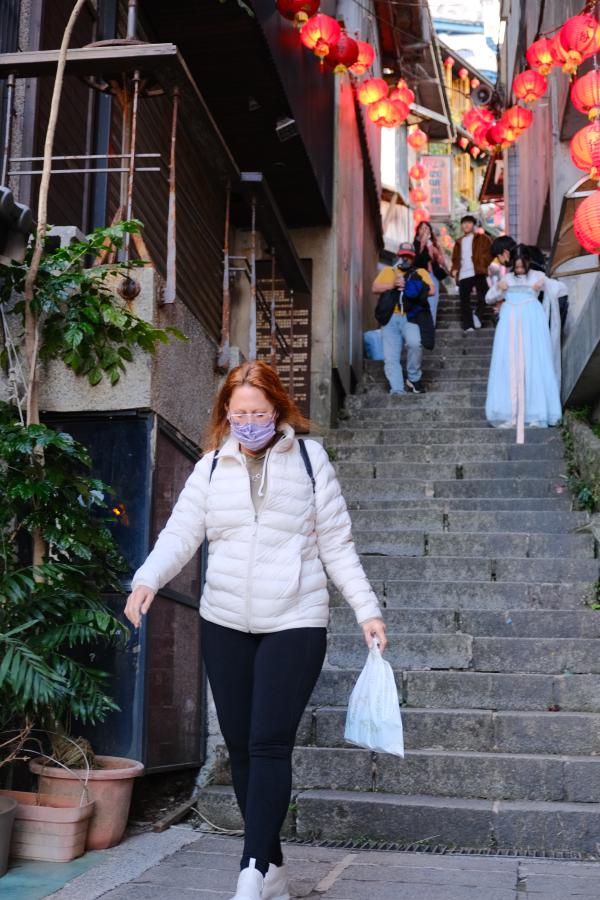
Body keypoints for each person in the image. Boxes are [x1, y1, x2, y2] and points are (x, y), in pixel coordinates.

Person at [124, 361, 386, 900]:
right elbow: (181, 533)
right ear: (226, 413)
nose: (248, 422)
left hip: (295, 619)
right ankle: (273, 866)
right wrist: (147, 578)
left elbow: (337, 544)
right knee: (241, 747)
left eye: (258, 413)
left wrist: (366, 610)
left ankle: (249, 871)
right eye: (238, 413)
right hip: (224, 621)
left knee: (268, 743)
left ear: (278, 411)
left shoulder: (311, 461)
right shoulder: (211, 467)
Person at [485, 248, 562, 444]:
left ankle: (536, 412)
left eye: (522, 266)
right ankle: (509, 412)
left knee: (533, 362)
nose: (519, 270)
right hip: (510, 319)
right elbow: (488, 298)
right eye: (516, 266)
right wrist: (498, 288)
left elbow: (562, 289)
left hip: (532, 320)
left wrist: (546, 284)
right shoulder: (507, 278)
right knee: (509, 363)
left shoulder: (538, 275)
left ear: (528, 263)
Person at [372, 242, 435, 395]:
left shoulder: (420, 272)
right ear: (398, 256)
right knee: (390, 356)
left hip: (410, 316)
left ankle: (413, 378)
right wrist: (393, 284)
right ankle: (397, 390)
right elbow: (375, 288)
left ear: (413, 258)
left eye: (409, 256)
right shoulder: (388, 271)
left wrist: (411, 285)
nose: (405, 259)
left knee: (415, 344)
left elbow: (432, 290)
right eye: (403, 256)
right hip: (389, 317)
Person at [451, 215, 492, 333]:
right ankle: (468, 325)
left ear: (473, 225)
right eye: (464, 223)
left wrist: (483, 262)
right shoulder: (459, 242)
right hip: (464, 273)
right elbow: (455, 258)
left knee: (484, 295)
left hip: (478, 271)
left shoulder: (483, 238)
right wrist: (454, 269)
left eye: (469, 223)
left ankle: (477, 316)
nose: (466, 225)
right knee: (464, 300)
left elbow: (490, 253)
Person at [413, 221, 450, 324]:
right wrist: (422, 244)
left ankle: (431, 326)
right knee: (419, 301)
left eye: (427, 228)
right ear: (418, 231)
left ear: (430, 231)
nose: (425, 230)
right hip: (420, 276)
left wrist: (437, 253)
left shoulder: (434, 245)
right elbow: (416, 260)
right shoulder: (415, 244)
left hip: (433, 275)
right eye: (422, 228)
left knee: (433, 302)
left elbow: (442, 262)